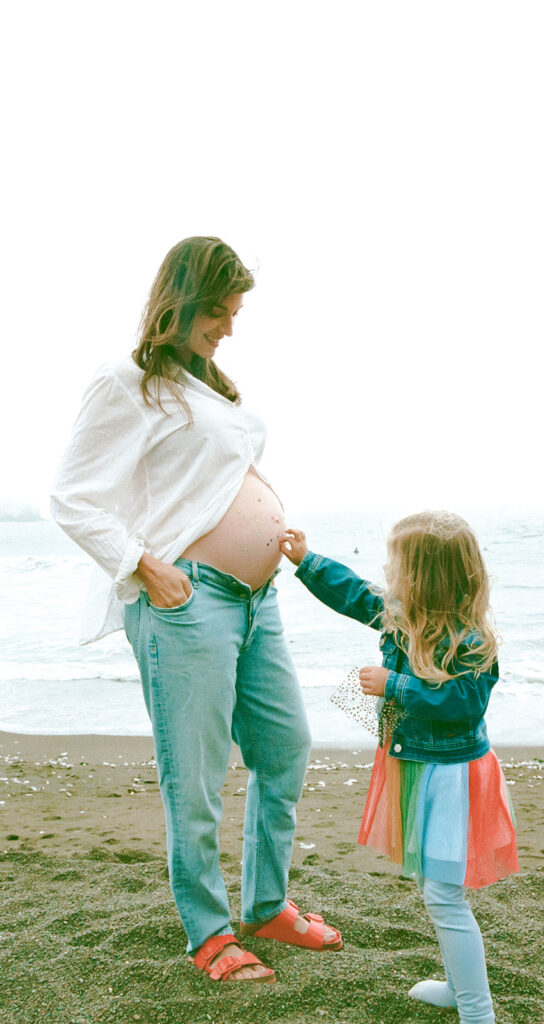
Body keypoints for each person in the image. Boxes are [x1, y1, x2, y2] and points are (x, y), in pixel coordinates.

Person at [51, 236, 342, 984]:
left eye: (236, 312)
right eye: (220, 310)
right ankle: (210, 933)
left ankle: (266, 905)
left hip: (256, 600)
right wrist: (147, 569)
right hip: (188, 601)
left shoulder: (208, 388)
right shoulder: (127, 382)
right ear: (179, 300)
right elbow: (72, 498)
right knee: (198, 776)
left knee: (285, 749)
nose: (231, 327)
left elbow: (214, 479)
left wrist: (274, 527)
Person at [280, 512, 518, 1022]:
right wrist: (307, 561)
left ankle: (477, 1011)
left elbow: (463, 704)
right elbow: (355, 594)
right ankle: (458, 988)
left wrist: (394, 685)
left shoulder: (471, 642)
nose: (387, 573)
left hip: (453, 777)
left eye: (396, 566)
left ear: (423, 578)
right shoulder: (402, 615)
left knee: (444, 896)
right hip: (415, 767)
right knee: (434, 886)